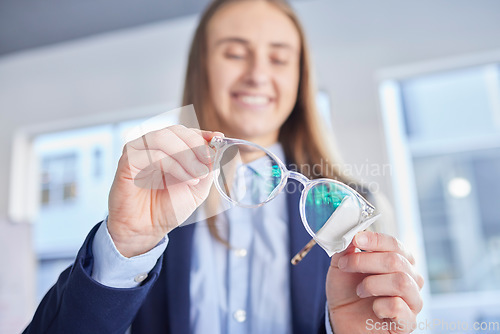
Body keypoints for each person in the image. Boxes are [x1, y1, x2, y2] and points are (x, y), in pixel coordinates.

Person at [24, 0, 424, 333]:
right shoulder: (152, 198)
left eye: (280, 59)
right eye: (234, 53)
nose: (257, 75)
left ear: (299, 78)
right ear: (202, 68)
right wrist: (125, 245)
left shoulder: (346, 208)